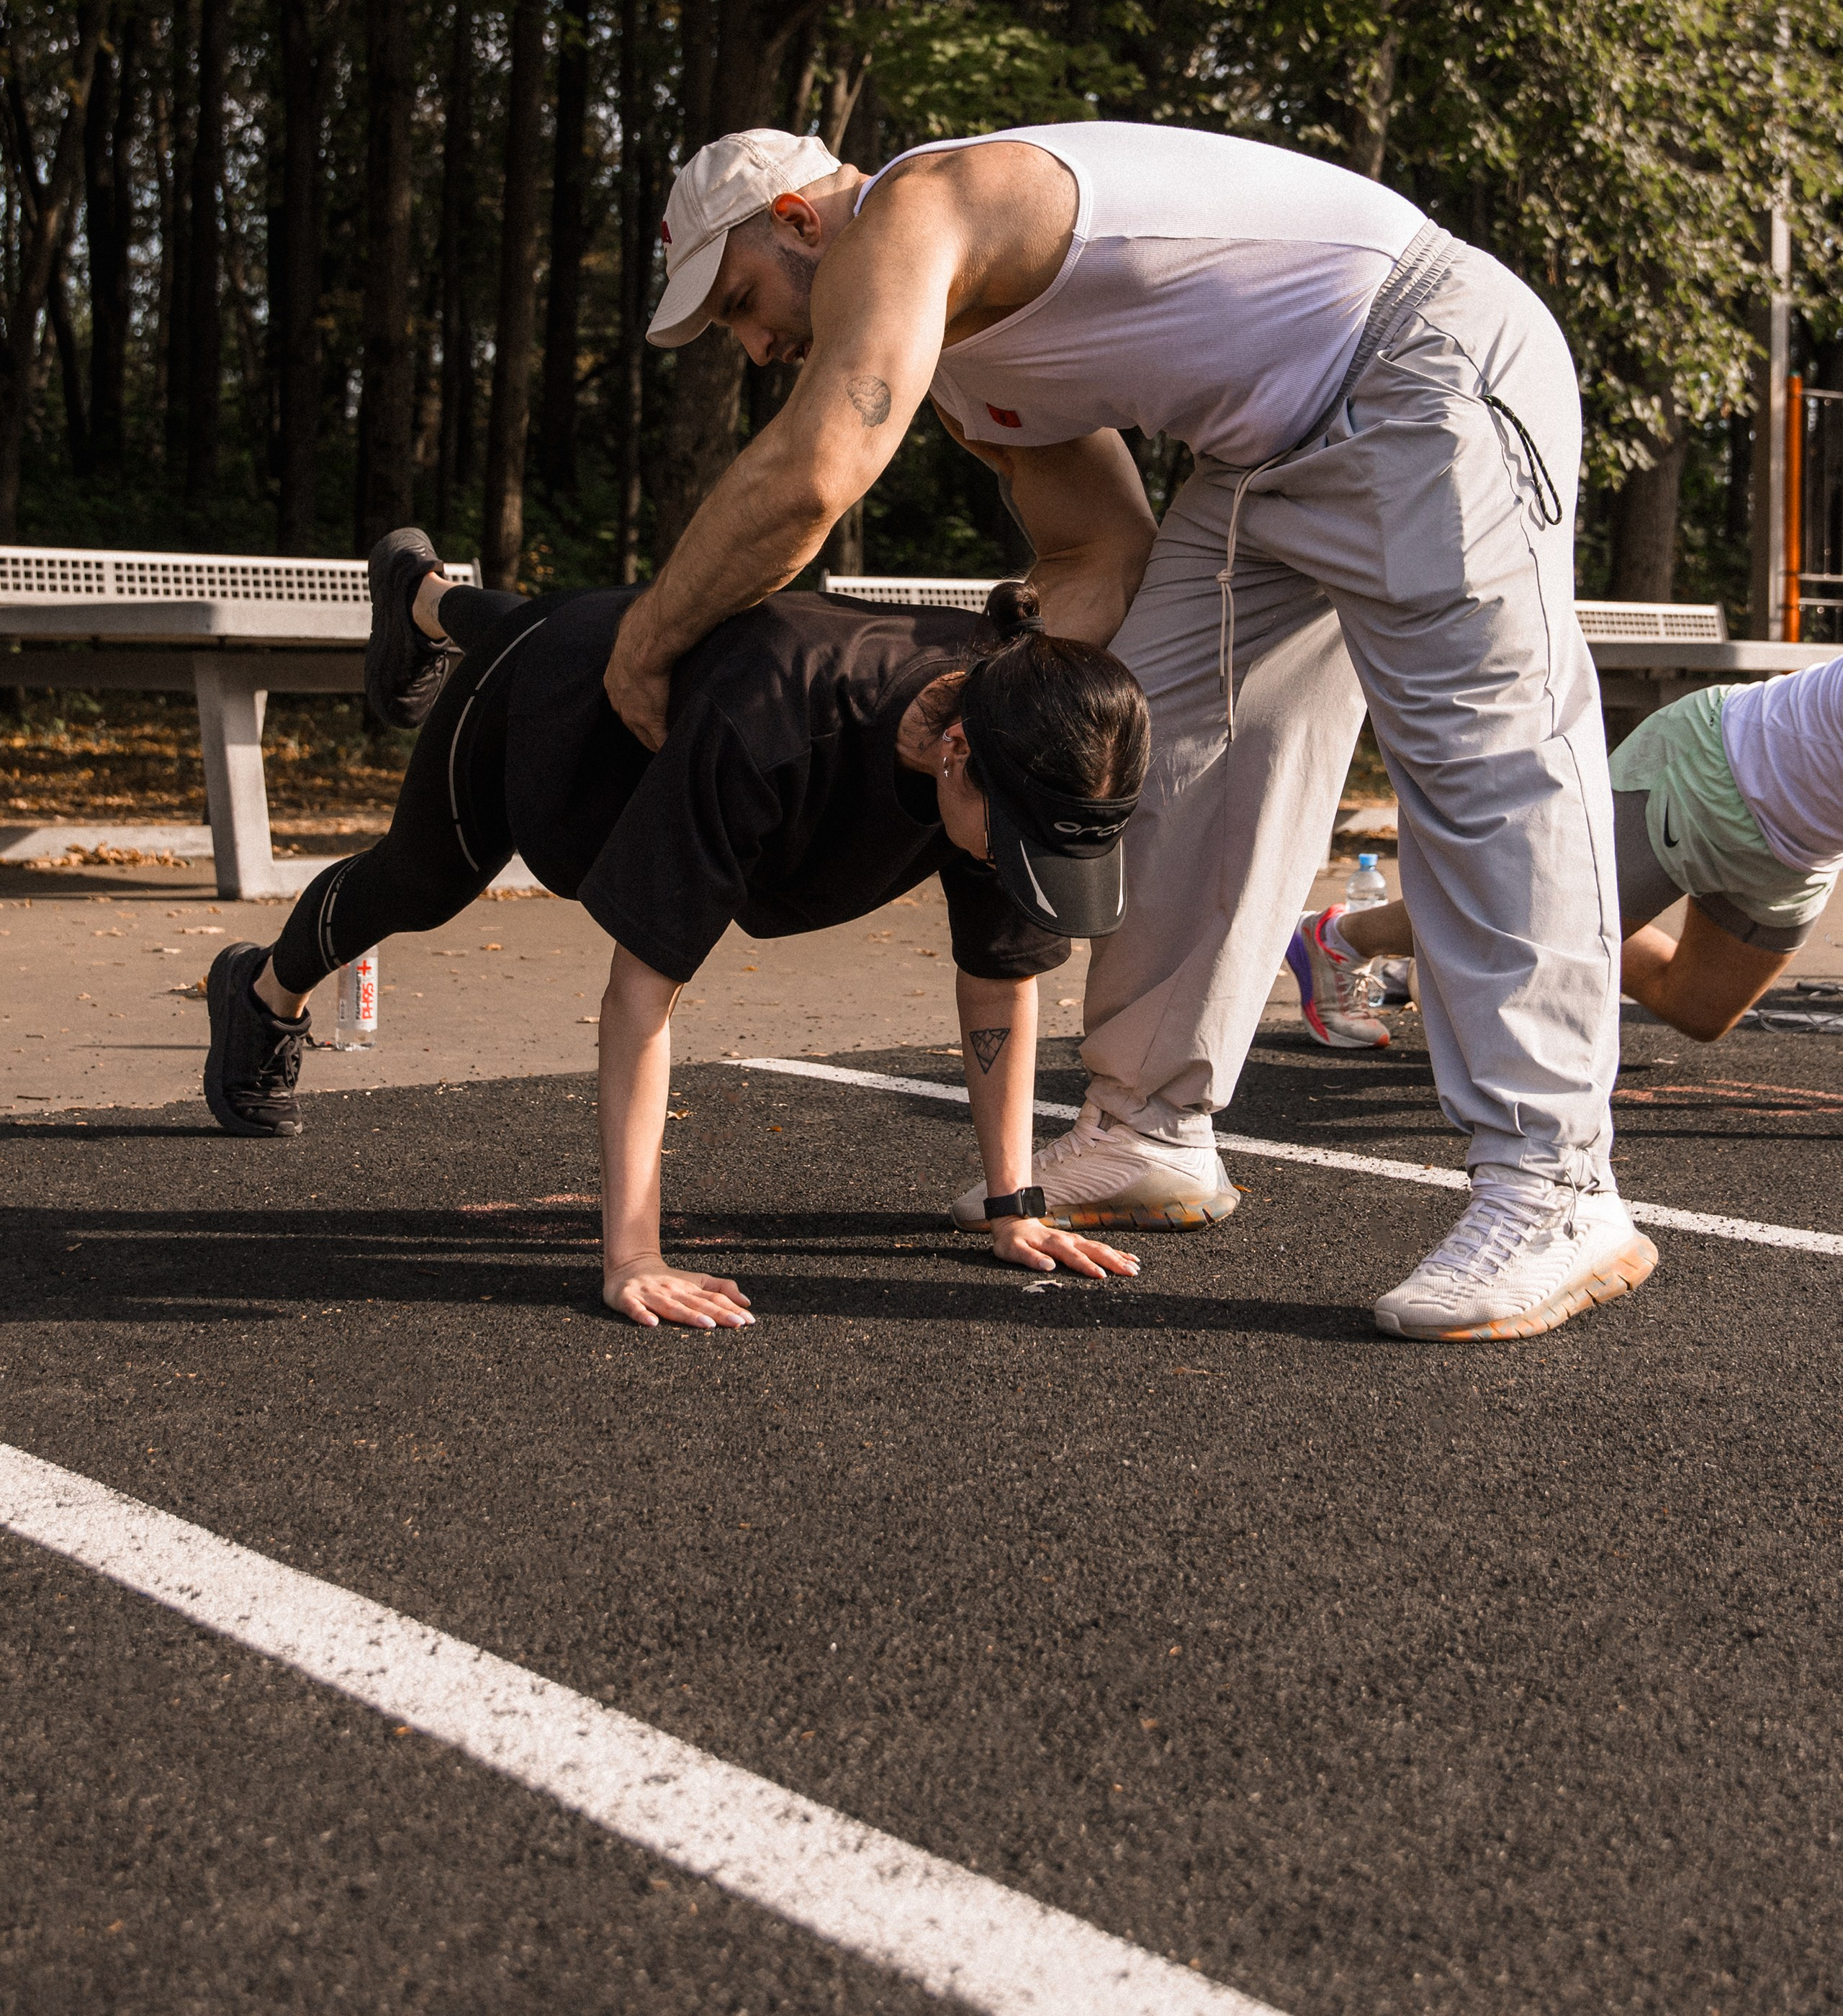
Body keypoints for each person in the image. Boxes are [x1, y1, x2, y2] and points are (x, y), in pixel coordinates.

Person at [602, 121, 1657, 1344]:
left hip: (1418, 361)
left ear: (795, 221)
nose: (755, 344)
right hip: (1263, 460)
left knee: (1487, 763)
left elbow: (817, 469)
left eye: (740, 303)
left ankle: (1556, 1185)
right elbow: (1099, 556)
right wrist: (986, 699)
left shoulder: (917, 208)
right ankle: (1152, 1127)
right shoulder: (968, 369)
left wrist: (648, 639)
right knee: (1149, 729)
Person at [199, 533, 1167, 1326]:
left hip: (660, 653)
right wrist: (633, 1257)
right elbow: (640, 996)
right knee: (416, 884)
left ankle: (420, 593)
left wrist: (1014, 1204)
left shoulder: (1015, 728)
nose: (1012, 870)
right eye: (1014, 851)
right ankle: (261, 992)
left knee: (547, 617)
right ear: (956, 754)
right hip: (561, 715)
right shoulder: (776, 731)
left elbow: (1000, 979)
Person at [1292, 658, 1843, 1047]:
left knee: (1699, 1011)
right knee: (1516, 924)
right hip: (1712, 771)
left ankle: (1458, 954)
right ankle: (1337, 939)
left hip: (1797, 854)